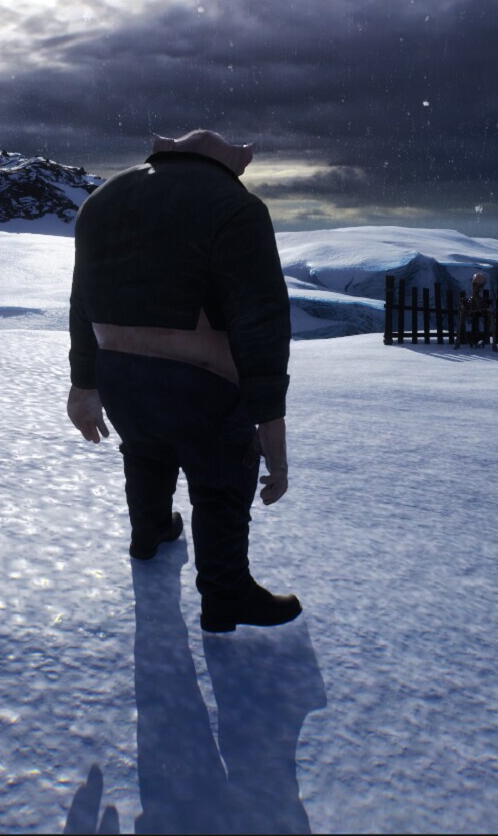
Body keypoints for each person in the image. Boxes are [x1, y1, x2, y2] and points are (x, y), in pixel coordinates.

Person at [66, 128, 301, 632]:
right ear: (228, 163)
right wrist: (270, 427)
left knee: (145, 453)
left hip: (119, 374)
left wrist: (83, 384)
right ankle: (225, 595)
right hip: (203, 382)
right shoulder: (235, 207)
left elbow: (81, 299)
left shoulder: (102, 200)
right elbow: (261, 323)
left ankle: (149, 533)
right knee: (220, 484)